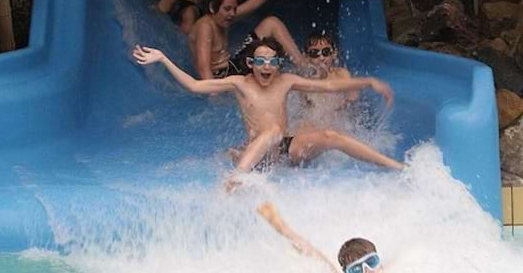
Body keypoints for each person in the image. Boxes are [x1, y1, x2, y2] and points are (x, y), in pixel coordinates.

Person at [132, 38, 405, 190]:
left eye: (272, 61)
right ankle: (235, 179)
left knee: (331, 135)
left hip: (282, 149)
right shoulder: (239, 83)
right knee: (271, 132)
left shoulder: (285, 81)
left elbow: (330, 85)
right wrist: (164, 59)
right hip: (258, 153)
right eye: (260, 61)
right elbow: (194, 85)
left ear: (277, 64)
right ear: (250, 64)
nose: (266, 66)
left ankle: (396, 167)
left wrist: (366, 82)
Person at [188, 0, 306, 80]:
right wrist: (214, 96)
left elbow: (255, 2)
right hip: (221, 77)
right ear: (213, 8)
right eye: (227, 9)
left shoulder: (224, 17)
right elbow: (203, 69)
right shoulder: (205, 27)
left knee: (271, 23)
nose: (232, 14)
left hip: (233, 67)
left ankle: (304, 67)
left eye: (234, 9)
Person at [257, 202, 383, 273]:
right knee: (323, 263)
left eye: (372, 262)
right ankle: (282, 227)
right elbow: (315, 254)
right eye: (356, 270)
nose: (367, 271)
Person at [302, 32, 359, 111]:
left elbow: (353, 97)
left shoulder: (342, 74)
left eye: (326, 52)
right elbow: (306, 110)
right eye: (314, 53)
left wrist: (336, 110)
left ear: (334, 53)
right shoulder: (305, 83)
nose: (321, 58)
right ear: (306, 57)